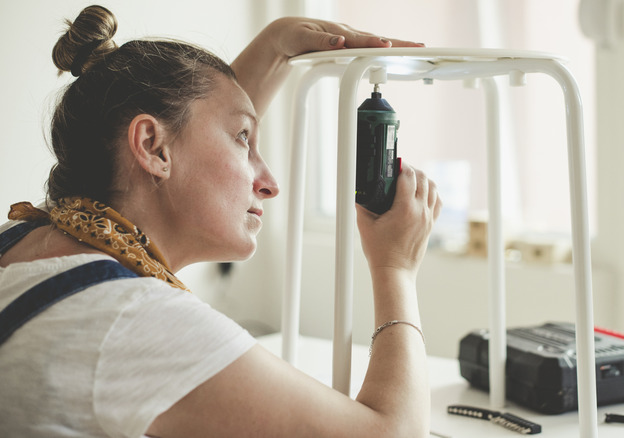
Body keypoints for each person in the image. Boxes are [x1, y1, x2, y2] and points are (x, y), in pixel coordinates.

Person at [0, 5, 441, 438]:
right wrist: (395, 268)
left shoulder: (26, 240)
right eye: (244, 139)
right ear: (151, 147)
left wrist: (275, 44)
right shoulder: (130, 321)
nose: (268, 184)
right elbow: (394, 433)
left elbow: (191, 136)